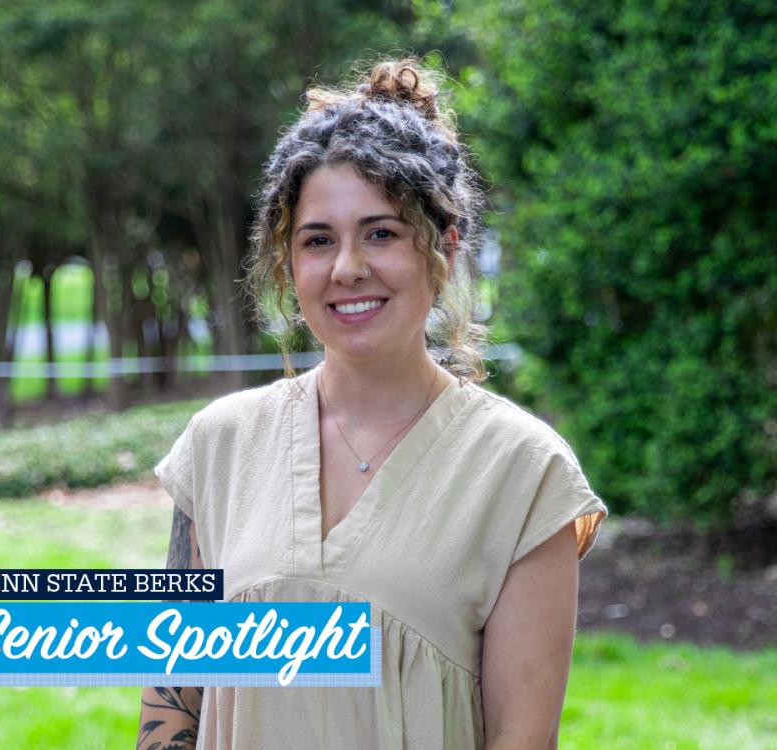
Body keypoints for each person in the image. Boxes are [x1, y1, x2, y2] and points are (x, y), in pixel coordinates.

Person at [137, 58, 607, 750]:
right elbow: (171, 707)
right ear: (287, 261)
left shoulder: (523, 474)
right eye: (317, 240)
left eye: (381, 233)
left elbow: (522, 739)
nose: (346, 268)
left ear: (443, 248)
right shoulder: (220, 446)